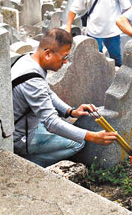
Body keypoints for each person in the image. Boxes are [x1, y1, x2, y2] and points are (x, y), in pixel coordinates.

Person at [11, 28, 118, 167]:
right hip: (21, 136)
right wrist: (94, 136)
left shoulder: (28, 59)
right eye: (64, 57)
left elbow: (47, 92)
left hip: (24, 123)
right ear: (48, 53)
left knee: (66, 128)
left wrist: (70, 111)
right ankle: (27, 166)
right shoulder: (33, 82)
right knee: (78, 142)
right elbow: (52, 122)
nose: (66, 62)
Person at [66, 0, 131, 66]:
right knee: (94, 62)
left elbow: (128, 8)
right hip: (93, 32)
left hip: (112, 32)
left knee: (116, 59)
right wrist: (68, 27)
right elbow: (73, 9)